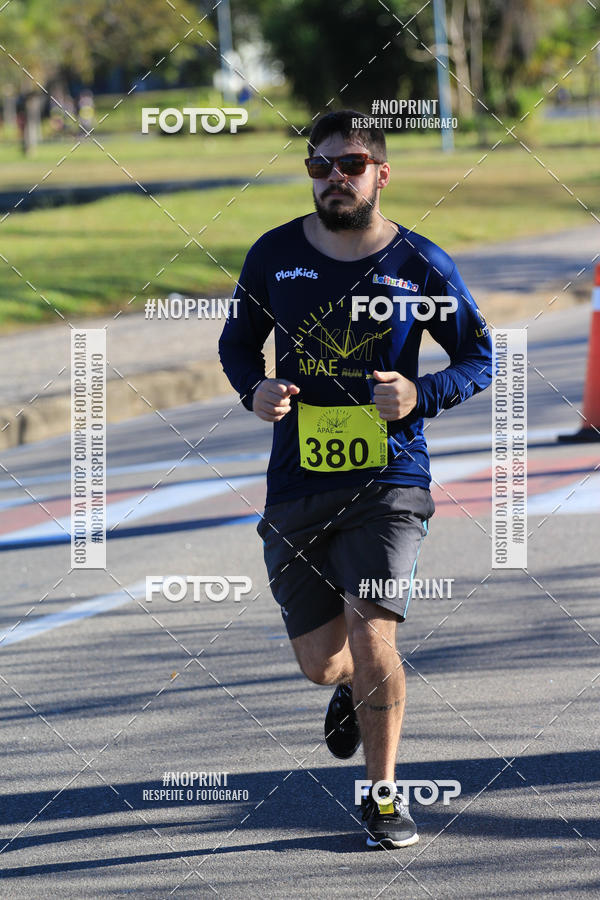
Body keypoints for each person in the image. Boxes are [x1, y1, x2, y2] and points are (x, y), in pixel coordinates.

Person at [218, 109, 492, 849]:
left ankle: (382, 795)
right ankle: (346, 690)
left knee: (374, 632)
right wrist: (255, 391)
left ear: (381, 173)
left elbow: (479, 358)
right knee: (323, 662)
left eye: (351, 164)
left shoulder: (420, 263)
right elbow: (239, 343)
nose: (335, 178)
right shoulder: (274, 256)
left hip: (391, 480)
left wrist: (419, 394)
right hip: (298, 484)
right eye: (320, 166)